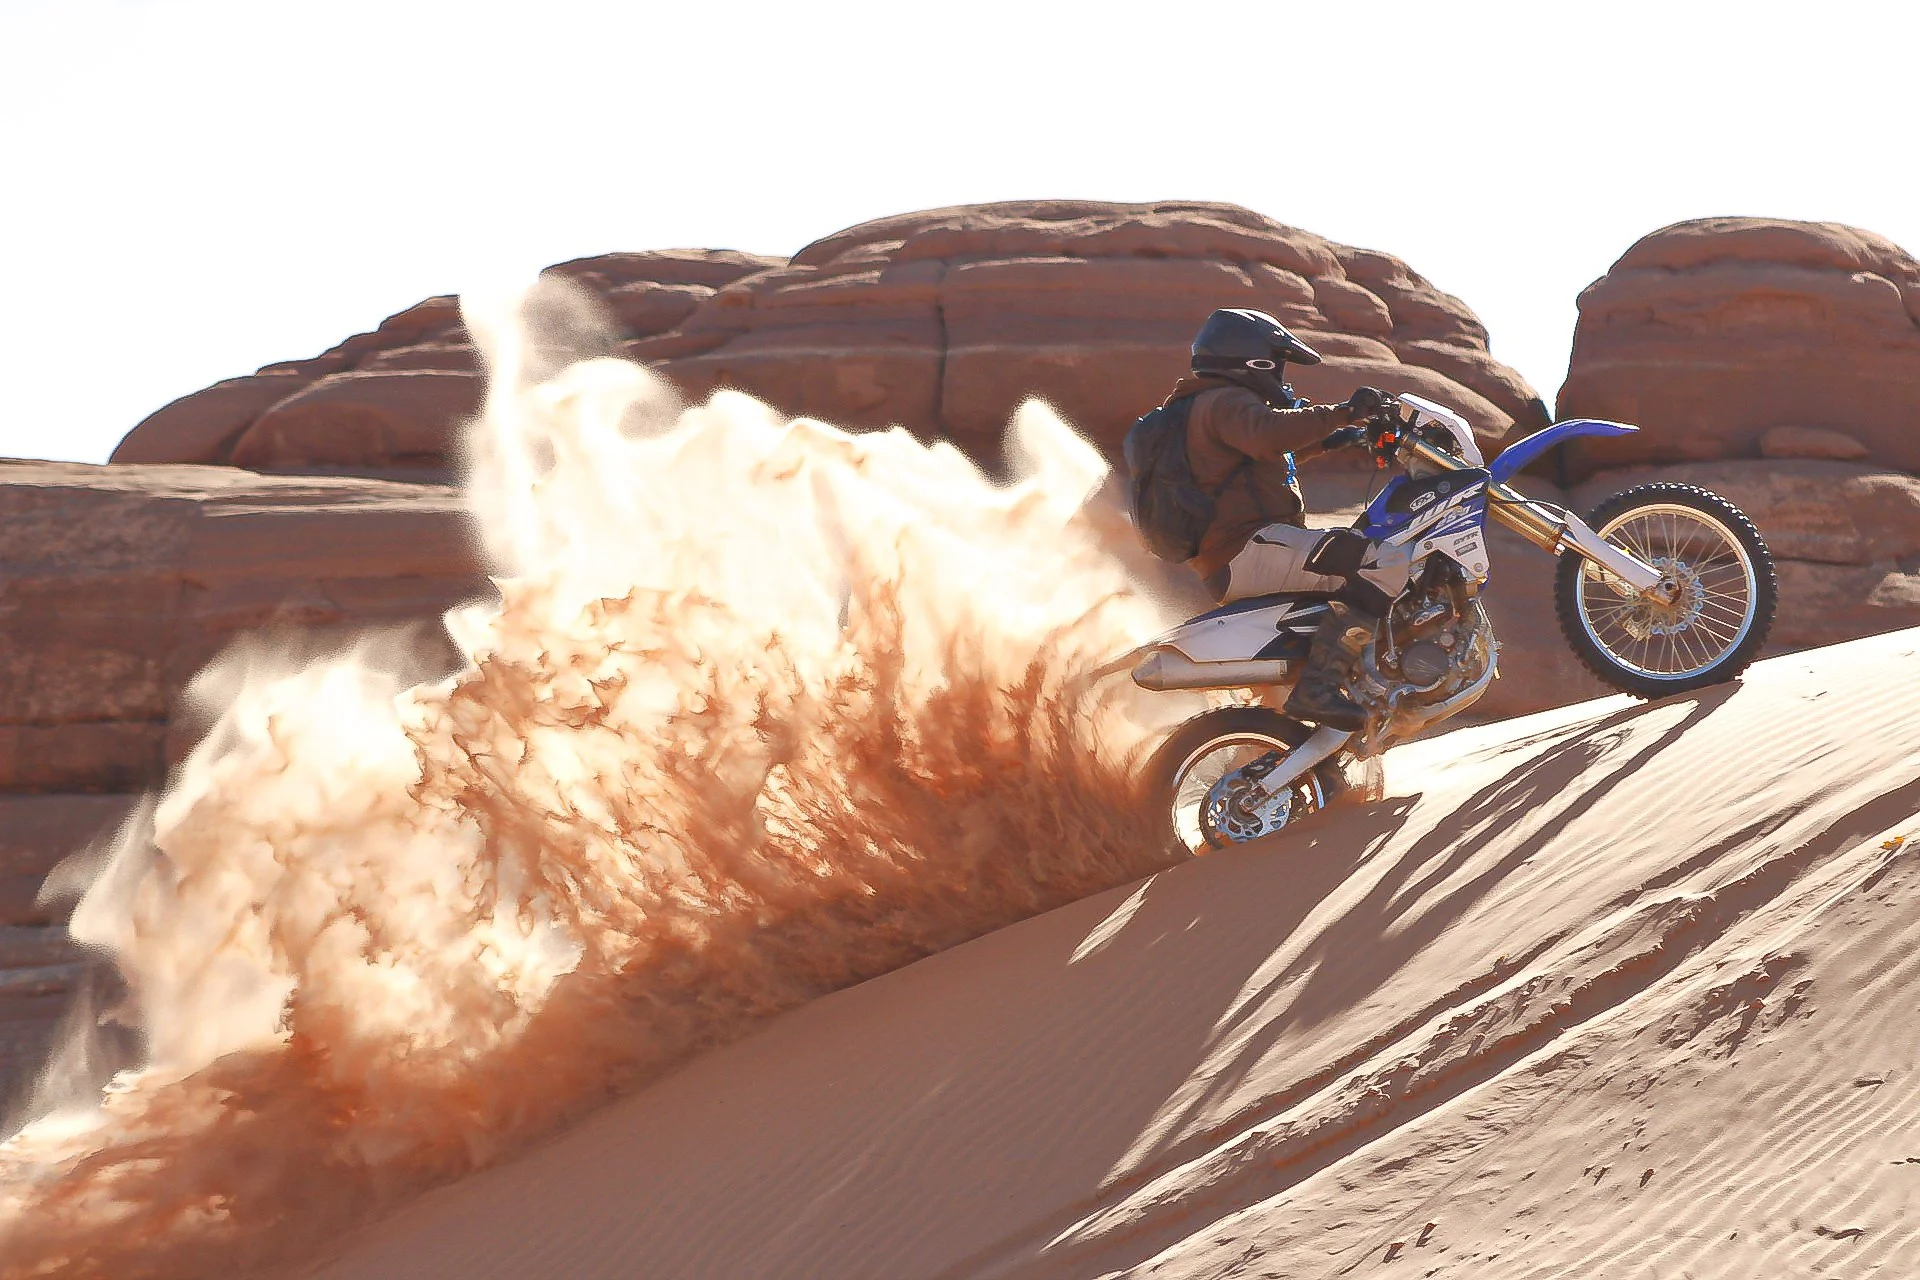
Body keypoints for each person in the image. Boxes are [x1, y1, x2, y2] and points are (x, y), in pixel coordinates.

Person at [1156, 307, 1399, 733]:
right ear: (1254, 360)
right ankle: (1320, 687)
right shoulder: (1223, 402)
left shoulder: (1208, 408)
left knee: (1349, 572)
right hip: (1250, 549)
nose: (1283, 377)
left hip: (1244, 555)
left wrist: (1342, 436)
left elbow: (1271, 455)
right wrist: (1344, 411)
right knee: (1381, 561)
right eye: (1279, 364)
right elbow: (1269, 433)